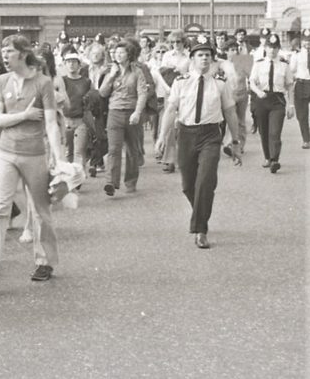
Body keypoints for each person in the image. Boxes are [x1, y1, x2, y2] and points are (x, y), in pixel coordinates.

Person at [0, 35, 66, 292]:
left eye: (9, 52)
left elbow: (52, 124)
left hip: (34, 153)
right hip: (7, 153)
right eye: (4, 52)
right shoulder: (1, 81)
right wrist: (25, 115)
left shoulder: (43, 83)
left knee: (41, 210)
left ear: (23, 53)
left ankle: (45, 261)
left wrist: (59, 158)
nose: (4, 57)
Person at [156, 36, 241, 249]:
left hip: (211, 135)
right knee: (188, 185)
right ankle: (201, 212)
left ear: (213, 60)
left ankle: (200, 229)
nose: (204, 59)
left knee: (206, 181)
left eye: (208, 56)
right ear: (192, 58)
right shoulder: (180, 82)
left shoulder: (220, 84)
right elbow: (170, 110)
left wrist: (236, 141)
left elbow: (230, 112)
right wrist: (161, 138)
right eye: (200, 55)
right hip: (185, 134)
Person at [98, 38, 150, 196]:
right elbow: (102, 92)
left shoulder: (137, 72)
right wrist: (112, 76)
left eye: (122, 52)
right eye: (116, 52)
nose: (118, 55)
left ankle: (131, 181)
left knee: (132, 150)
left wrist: (137, 112)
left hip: (132, 113)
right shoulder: (109, 71)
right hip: (114, 112)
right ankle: (111, 183)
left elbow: (142, 93)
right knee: (113, 149)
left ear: (129, 55)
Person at [249, 34, 295, 173]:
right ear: (265, 47)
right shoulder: (258, 63)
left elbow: (290, 85)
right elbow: (251, 82)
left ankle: (275, 160)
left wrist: (291, 105)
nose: (272, 50)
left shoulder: (284, 65)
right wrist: (258, 91)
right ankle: (267, 157)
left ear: (278, 48)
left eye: (275, 47)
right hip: (262, 99)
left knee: (275, 132)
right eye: (270, 47)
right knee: (264, 131)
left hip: (277, 100)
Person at [218, 38, 252, 159]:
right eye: (232, 50)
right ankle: (228, 144)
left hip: (242, 93)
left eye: (236, 49)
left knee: (241, 121)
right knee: (231, 119)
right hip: (230, 94)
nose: (235, 52)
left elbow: (251, 76)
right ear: (226, 51)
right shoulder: (222, 64)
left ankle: (241, 145)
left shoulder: (242, 62)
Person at [60, 50, 93, 168]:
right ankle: (70, 177)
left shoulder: (86, 81)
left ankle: (78, 177)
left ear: (79, 65)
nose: (71, 64)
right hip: (65, 120)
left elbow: (90, 101)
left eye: (74, 62)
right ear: (65, 64)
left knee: (79, 151)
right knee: (68, 151)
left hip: (81, 120)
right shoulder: (61, 81)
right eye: (68, 62)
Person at [289, 28, 310, 149]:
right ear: (301, 41)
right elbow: (291, 70)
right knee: (302, 115)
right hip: (301, 85)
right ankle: (306, 140)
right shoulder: (296, 55)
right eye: (305, 41)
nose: (307, 43)